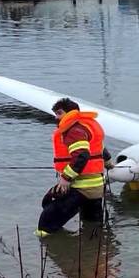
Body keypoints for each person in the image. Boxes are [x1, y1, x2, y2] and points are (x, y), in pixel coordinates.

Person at [36, 98, 111, 237]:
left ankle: (45, 249)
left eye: (59, 113)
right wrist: (109, 164)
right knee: (92, 223)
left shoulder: (74, 129)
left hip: (81, 187)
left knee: (46, 221)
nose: (56, 117)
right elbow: (101, 150)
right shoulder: (88, 125)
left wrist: (65, 178)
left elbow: (82, 155)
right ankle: (95, 250)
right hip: (97, 187)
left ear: (70, 113)